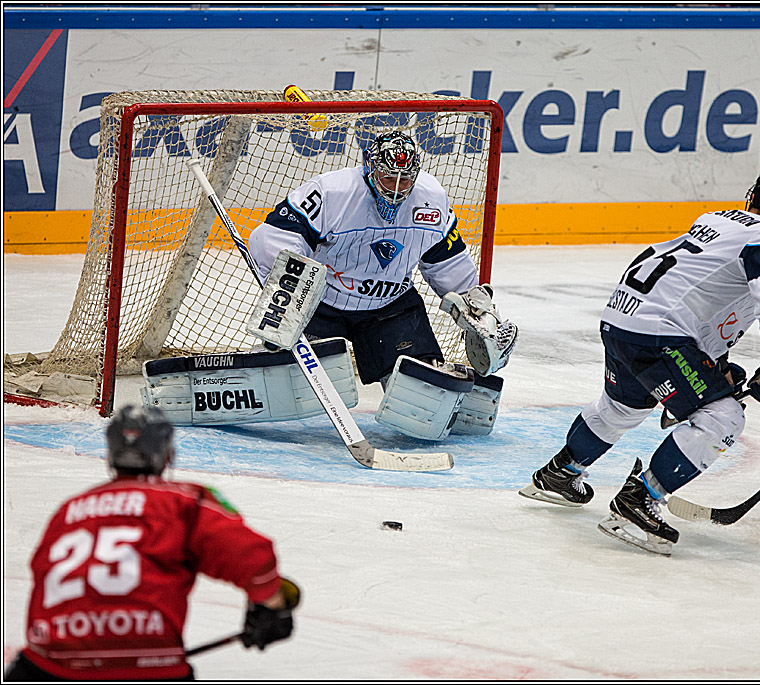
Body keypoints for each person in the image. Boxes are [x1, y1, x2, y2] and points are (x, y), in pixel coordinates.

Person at [519, 166, 760, 555]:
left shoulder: (714, 221)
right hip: (659, 334)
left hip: (621, 320)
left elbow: (702, 298)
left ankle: (560, 473)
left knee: (621, 407)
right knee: (723, 418)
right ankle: (639, 500)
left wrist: (715, 364)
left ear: (752, 197)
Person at [248, 130, 516, 440]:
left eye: (406, 180)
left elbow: (447, 261)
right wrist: (291, 287)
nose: (397, 189)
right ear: (370, 168)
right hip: (321, 303)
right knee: (286, 380)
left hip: (389, 307)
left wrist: (474, 308)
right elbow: (273, 237)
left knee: (424, 398)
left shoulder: (432, 199)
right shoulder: (332, 192)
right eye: (389, 178)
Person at [3, 405, 299, 681]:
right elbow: (252, 556)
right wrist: (271, 606)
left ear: (111, 453)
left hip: (51, 662)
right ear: (167, 454)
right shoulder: (185, 502)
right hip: (149, 661)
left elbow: (42, 569)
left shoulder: (70, 509)